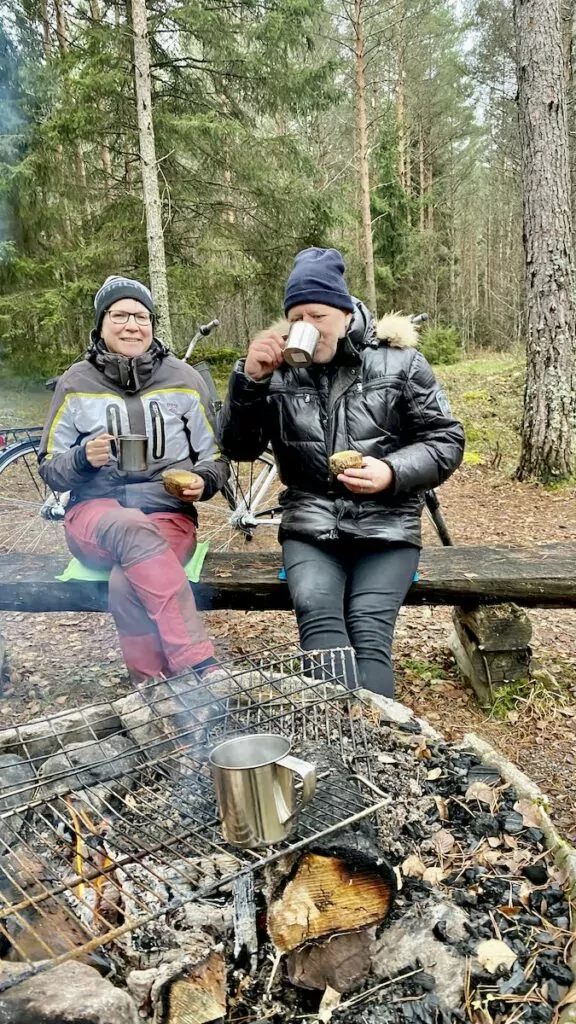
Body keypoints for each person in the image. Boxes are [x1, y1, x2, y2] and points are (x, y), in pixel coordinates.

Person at [219, 248, 465, 697]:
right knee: (318, 616)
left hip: (388, 523)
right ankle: (340, 744)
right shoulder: (277, 372)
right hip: (310, 522)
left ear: (346, 312)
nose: (308, 327)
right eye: (297, 317)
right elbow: (238, 448)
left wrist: (391, 472)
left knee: (368, 630)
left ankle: (375, 744)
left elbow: (446, 441)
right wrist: (249, 381)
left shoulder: (400, 362)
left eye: (318, 314)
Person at [38, 275, 229, 685]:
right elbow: (50, 468)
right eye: (120, 315)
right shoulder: (75, 383)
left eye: (141, 316)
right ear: (101, 324)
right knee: (131, 527)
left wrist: (202, 481)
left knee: (127, 585)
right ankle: (198, 664)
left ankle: (152, 691)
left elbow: (215, 459)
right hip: (95, 515)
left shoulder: (184, 379)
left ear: (153, 324)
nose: (131, 325)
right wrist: (82, 459)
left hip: (168, 514)